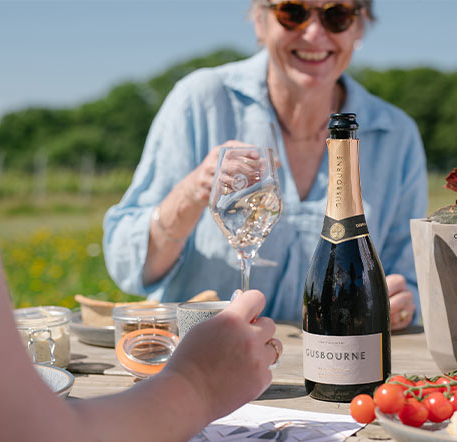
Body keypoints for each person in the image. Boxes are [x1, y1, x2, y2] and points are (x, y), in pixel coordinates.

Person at [0, 102, 282, 442]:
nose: (316, 41)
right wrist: (198, 385)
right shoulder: (200, 100)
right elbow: (14, 439)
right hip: (171, 362)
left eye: (339, 38)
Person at [103, 0, 428, 330]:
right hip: (203, 364)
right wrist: (190, 193)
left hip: (332, 368)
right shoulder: (202, 101)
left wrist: (402, 303)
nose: (314, 33)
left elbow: (414, 281)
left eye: (336, 15)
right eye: (293, 13)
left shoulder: (396, 135)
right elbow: (126, 264)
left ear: (359, 26)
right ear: (259, 20)